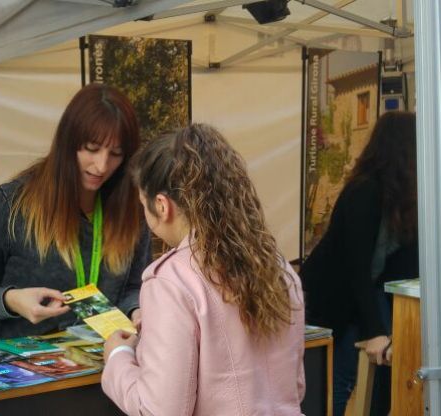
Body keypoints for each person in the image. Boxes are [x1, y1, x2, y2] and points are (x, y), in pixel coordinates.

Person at [101, 123, 306, 416]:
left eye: (142, 205)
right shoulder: (276, 265)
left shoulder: (170, 280)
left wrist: (118, 358)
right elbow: (295, 386)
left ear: (161, 205)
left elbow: (160, 411)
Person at [0, 84, 151, 344]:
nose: (101, 165)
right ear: (69, 142)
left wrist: (137, 311)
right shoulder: (12, 203)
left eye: (115, 154)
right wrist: (11, 301)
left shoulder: (131, 211)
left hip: (100, 372)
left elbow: (134, 287)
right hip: (18, 376)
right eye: (91, 148)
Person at [300, 111, 419, 416]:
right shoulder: (364, 192)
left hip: (362, 295)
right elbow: (356, 269)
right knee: (339, 381)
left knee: (377, 376)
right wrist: (376, 331)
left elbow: (406, 269)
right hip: (331, 299)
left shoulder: (402, 198)